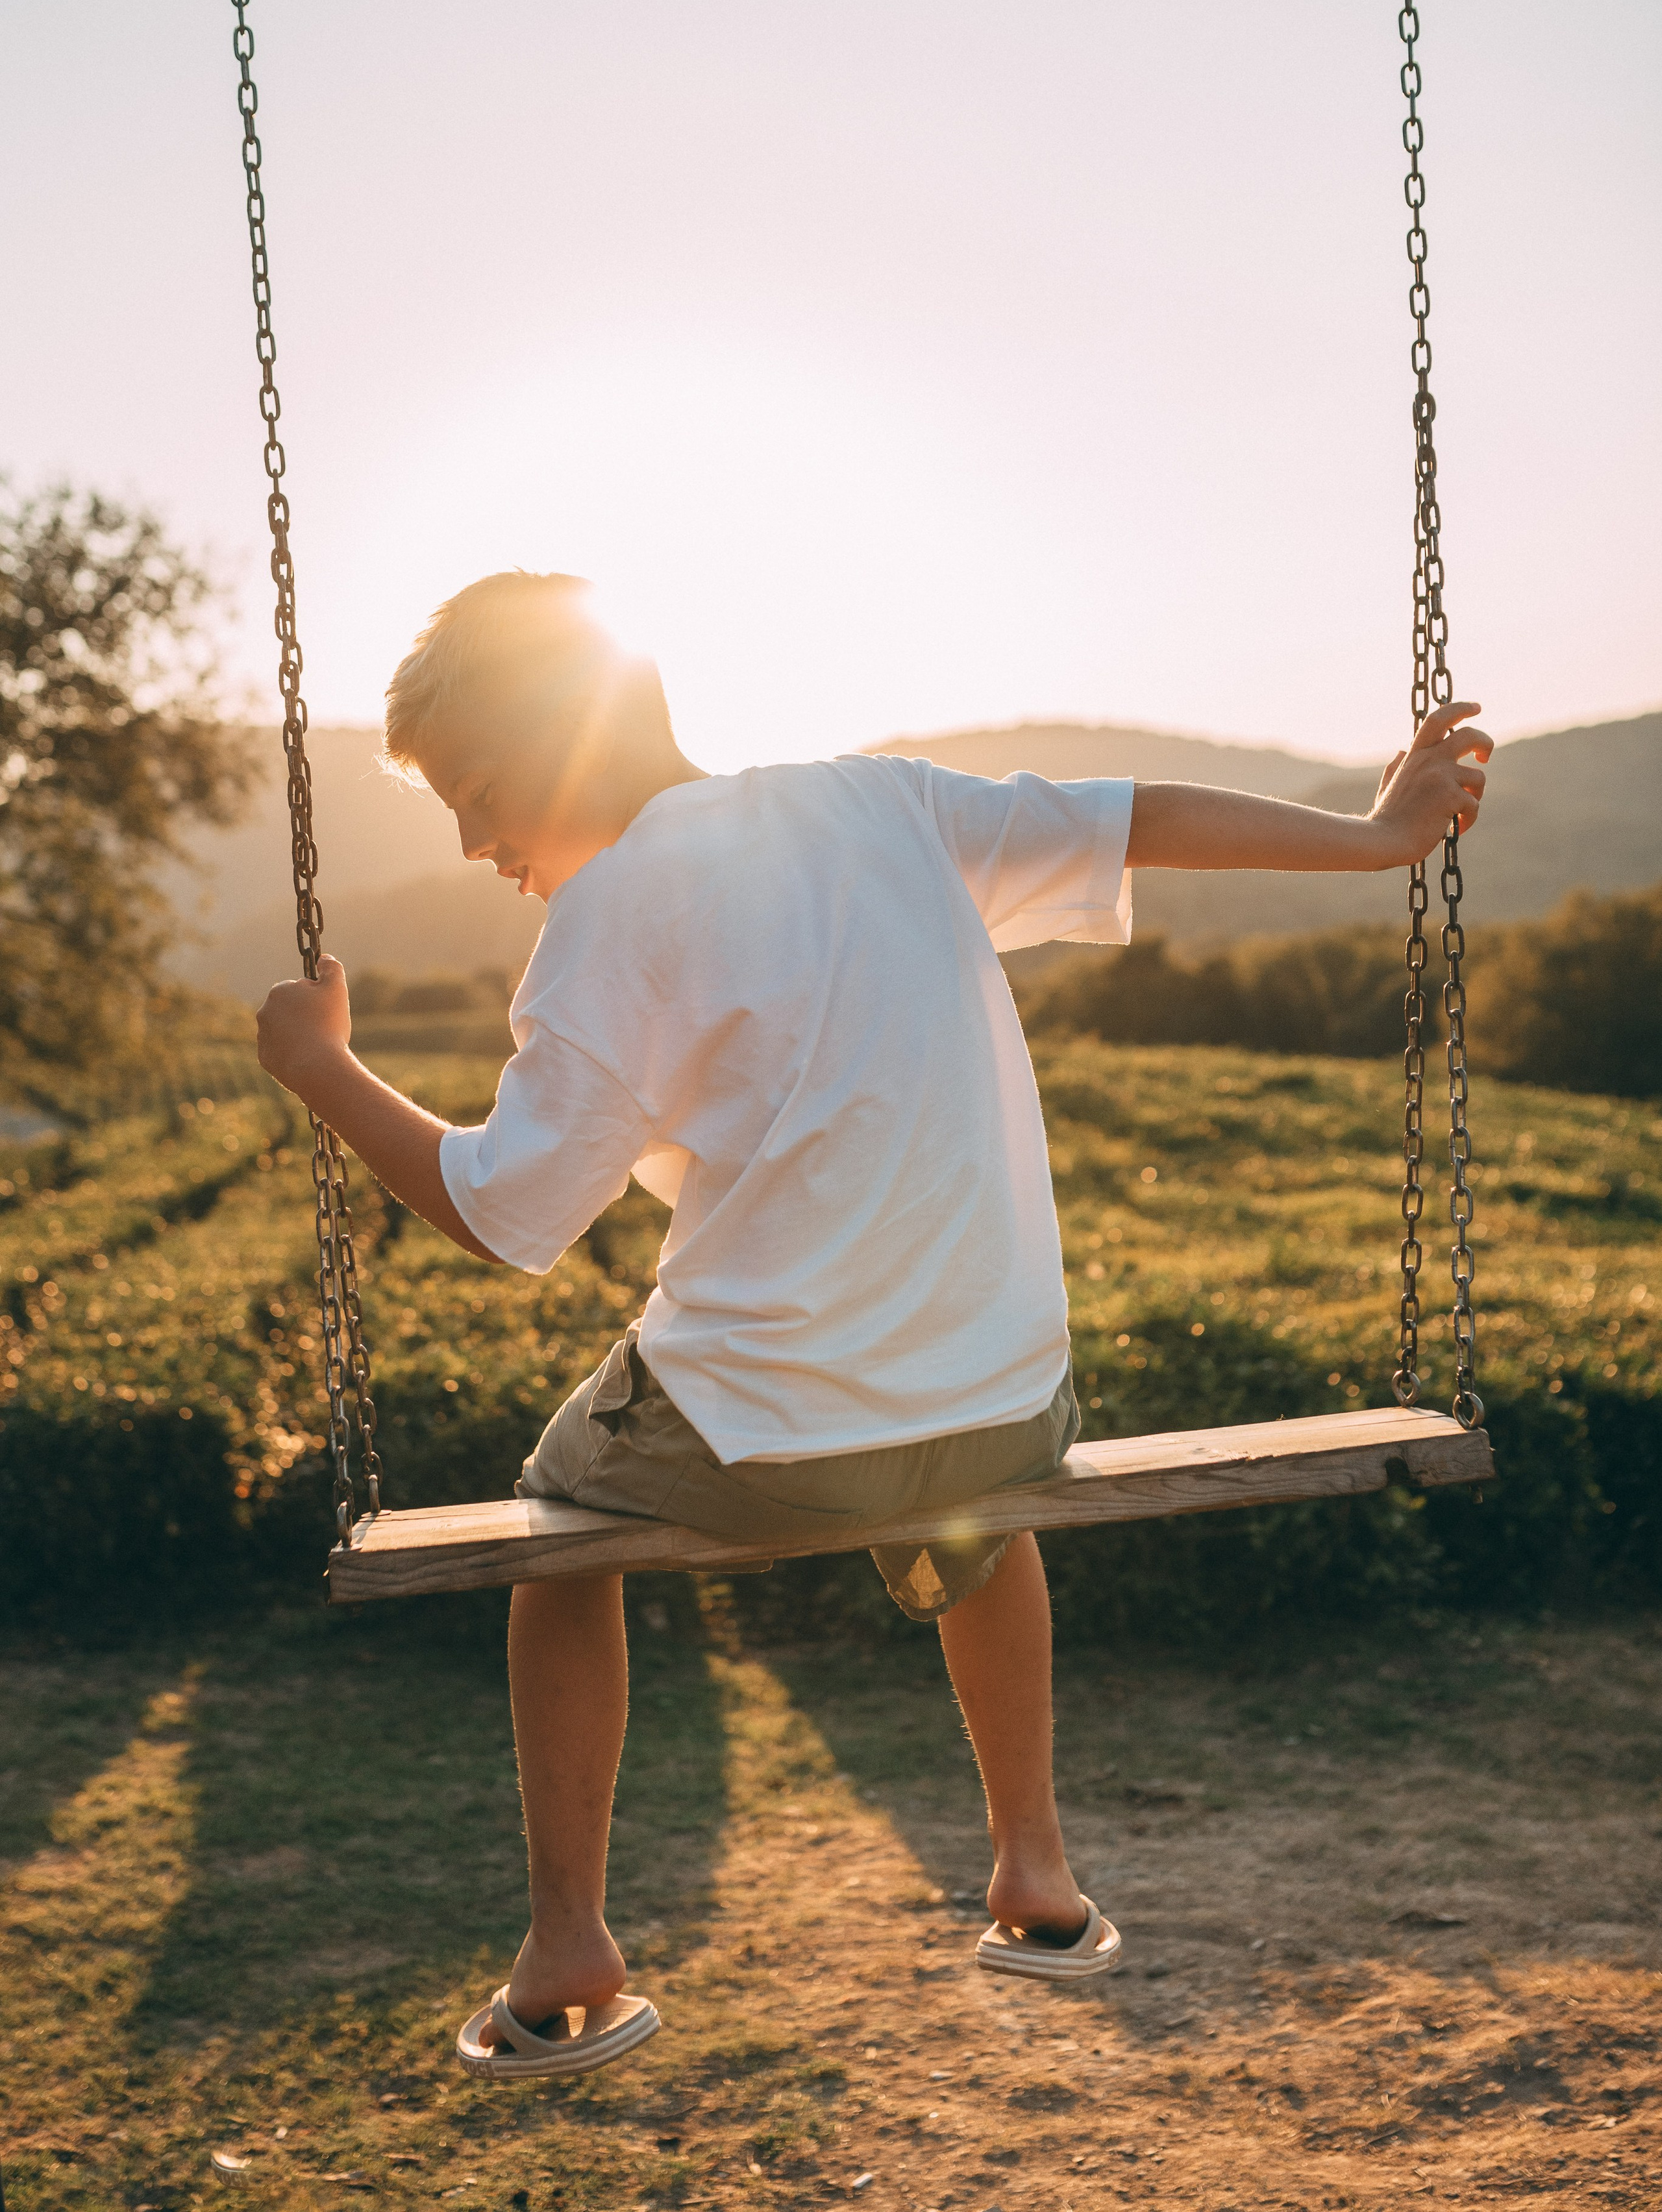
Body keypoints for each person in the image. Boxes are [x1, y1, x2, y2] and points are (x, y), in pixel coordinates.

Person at [255, 570, 1492, 2078]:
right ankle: (1032, 1864)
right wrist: (1373, 842)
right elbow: (1138, 819)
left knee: (551, 1522)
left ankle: (567, 1936)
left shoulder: (601, 922)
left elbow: (503, 1213)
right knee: (974, 1498)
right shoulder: (885, 806)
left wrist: (324, 1069)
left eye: (478, 789)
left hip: (761, 1439)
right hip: (1004, 1402)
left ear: (560, 738)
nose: (472, 839)